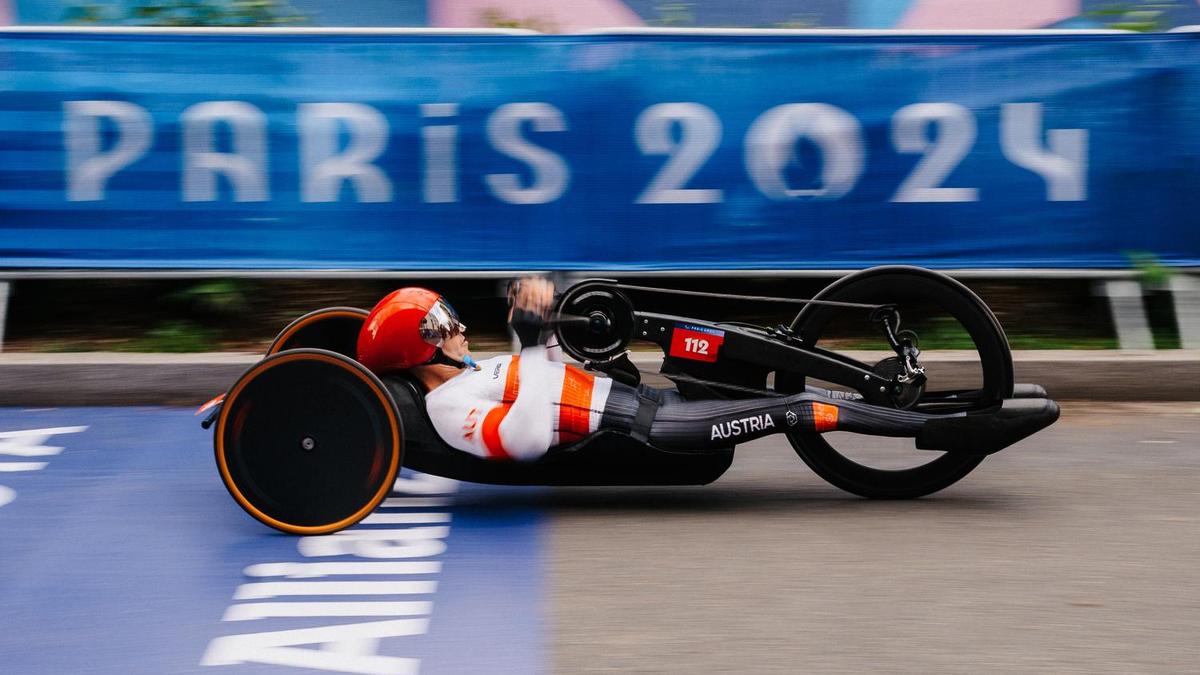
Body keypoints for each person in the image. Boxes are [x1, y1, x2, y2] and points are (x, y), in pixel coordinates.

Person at [355, 277, 945, 462]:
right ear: (418, 351)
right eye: (439, 324)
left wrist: (553, 330)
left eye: (448, 315)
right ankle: (938, 429)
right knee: (798, 408)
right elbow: (527, 439)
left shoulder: (467, 376)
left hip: (643, 399)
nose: (456, 326)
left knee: (734, 349)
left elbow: (549, 376)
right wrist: (533, 344)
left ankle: (892, 396)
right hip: (652, 428)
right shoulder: (447, 406)